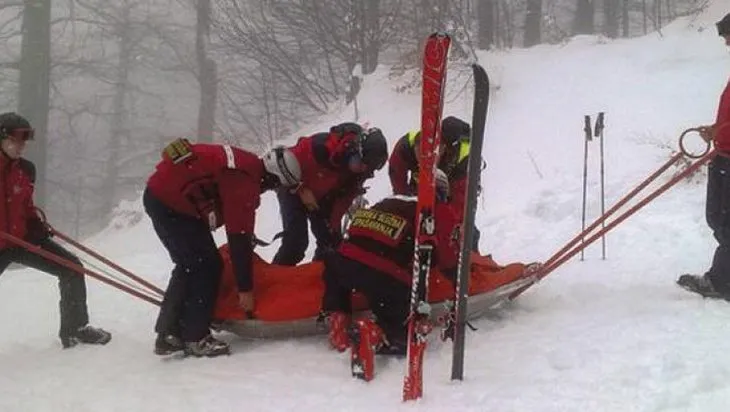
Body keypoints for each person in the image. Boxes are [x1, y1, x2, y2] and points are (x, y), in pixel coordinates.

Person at [145, 139, 301, 357]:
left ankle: (169, 333)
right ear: (273, 177)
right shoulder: (245, 180)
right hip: (173, 205)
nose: (273, 190)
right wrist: (245, 289)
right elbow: (239, 237)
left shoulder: (246, 165)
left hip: (162, 196)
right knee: (206, 266)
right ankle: (195, 336)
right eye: (277, 185)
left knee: (190, 264)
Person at [321, 170, 460, 379]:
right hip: (384, 272)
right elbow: (448, 257)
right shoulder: (435, 210)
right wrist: (457, 281)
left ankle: (338, 320)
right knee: (406, 334)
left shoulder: (388, 201)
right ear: (441, 192)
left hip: (342, 262)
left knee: (338, 278)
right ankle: (375, 333)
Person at [0, 112, 111, 348]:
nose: (21, 147)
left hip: (20, 240)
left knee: (71, 268)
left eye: (24, 141)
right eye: (16, 141)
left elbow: (25, 205)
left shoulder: (26, 169)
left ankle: (75, 329)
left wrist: (35, 225)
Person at [271, 123, 388, 266]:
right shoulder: (319, 147)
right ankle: (276, 279)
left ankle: (319, 278)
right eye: (361, 163)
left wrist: (331, 230)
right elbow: (285, 164)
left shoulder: (359, 172)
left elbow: (343, 201)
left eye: (367, 168)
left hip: (325, 195)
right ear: (355, 150)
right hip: (293, 187)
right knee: (296, 243)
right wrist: (300, 188)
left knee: (331, 245)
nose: (362, 169)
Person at [677, 14, 730, 299]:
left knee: (727, 222)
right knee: (717, 218)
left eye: (728, 36)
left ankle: (722, 282)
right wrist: (715, 130)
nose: (726, 43)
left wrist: (720, 131)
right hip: (724, 153)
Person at [388, 115, 481, 250]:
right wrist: (404, 201)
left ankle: (468, 263)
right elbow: (396, 173)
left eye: (430, 153)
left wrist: (446, 229)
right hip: (420, 188)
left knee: (464, 232)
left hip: (452, 187)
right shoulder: (407, 145)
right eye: (419, 154)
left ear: (444, 148)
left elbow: (460, 205)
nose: (422, 158)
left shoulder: (465, 160)